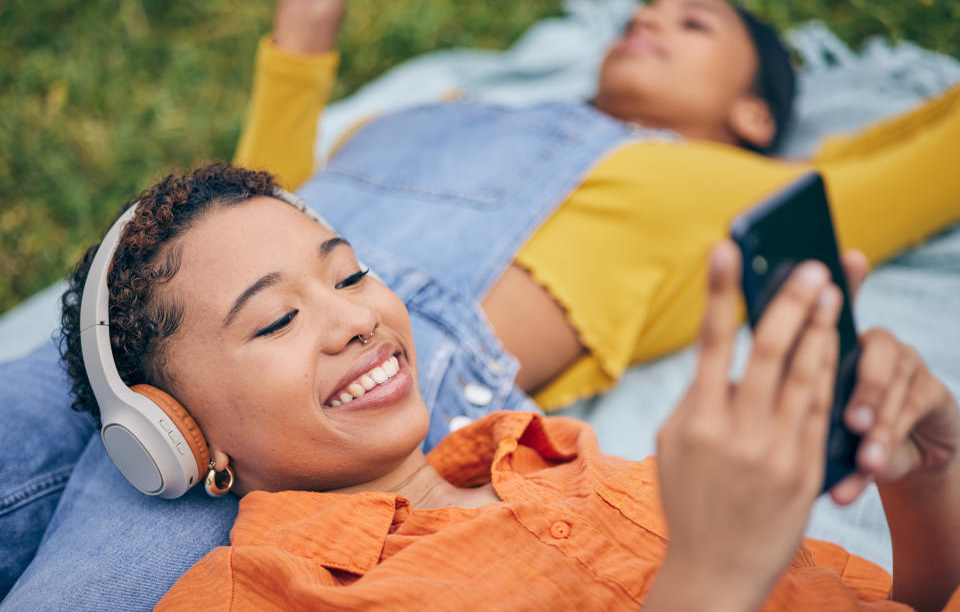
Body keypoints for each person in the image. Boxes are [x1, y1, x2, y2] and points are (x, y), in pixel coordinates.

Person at [2, 0, 959, 608]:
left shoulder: (708, 191)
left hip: (419, 358)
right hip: (181, 323)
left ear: (753, 112)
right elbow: (243, 226)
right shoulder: (433, 113)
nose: (648, 19)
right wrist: (306, 30)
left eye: (695, 21)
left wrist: (928, 479)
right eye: (642, 12)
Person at [54, 165, 959, 611]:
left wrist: (927, 477)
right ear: (175, 434)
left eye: (350, 274)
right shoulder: (253, 595)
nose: (355, 320)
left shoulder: (569, 461)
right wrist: (711, 578)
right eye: (276, 321)